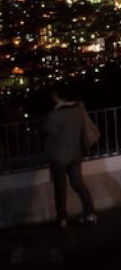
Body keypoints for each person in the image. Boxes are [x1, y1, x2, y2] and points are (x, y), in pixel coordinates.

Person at [40, 87, 98, 228]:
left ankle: (62, 219)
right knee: (78, 184)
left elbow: (46, 128)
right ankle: (90, 214)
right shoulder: (78, 108)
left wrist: (54, 110)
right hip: (75, 153)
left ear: (57, 97)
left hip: (58, 156)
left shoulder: (56, 114)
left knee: (60, 188)